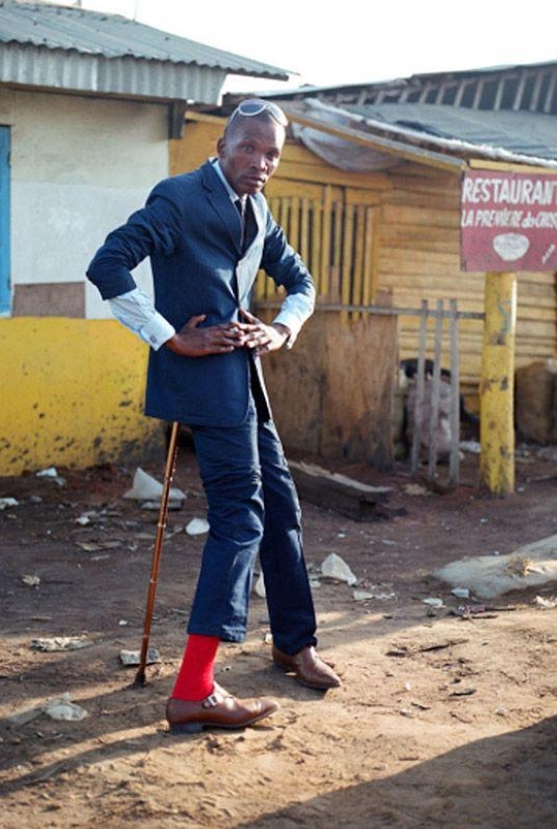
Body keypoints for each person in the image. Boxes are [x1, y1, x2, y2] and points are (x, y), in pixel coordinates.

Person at [86, 99, 341, 734]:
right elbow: (107, 265)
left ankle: (294, 644)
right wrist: (170, 335)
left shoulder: (260, 210)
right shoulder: (178, 197)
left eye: (272, 154)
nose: (260, 162)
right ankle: (195, 689)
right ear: (221, 146)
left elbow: (302, 283)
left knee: (281, 507)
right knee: (240, 517)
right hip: (204, 385)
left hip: (246, 382)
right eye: (248, 147)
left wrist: (280, 329)